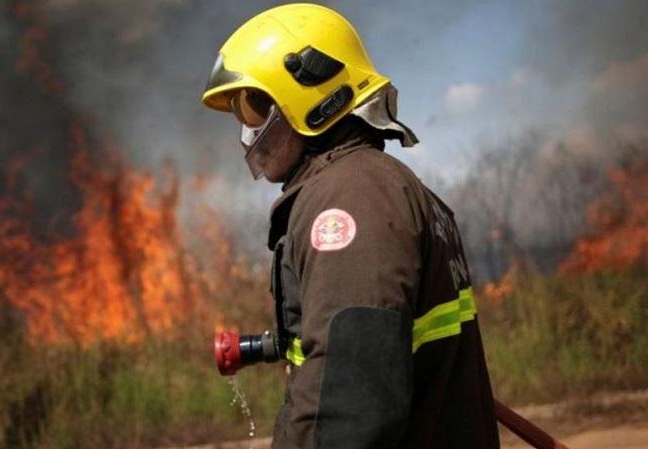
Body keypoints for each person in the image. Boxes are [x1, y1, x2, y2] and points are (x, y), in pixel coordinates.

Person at [201, 4, 500, 449]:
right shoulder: (376, 186)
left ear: (308, 95)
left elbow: (352, 406)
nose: (248, 134)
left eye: (253, 107)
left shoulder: (352, 199)